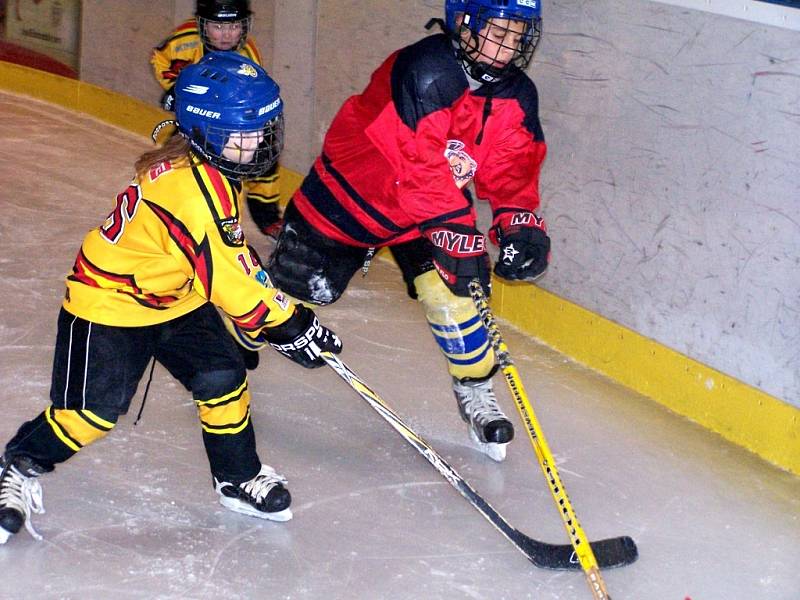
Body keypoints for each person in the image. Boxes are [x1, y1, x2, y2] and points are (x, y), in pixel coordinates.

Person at [0, 52, 342, 545]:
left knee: (223, 378)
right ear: (205, 130)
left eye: (261, 127)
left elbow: (227, 259)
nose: (259, 141)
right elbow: (230, 274)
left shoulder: (206, 167)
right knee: (88, 414)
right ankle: (19, 463)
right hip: (109, 301)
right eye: (242, 132)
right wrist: (290, 326)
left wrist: (267, 321)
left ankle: (237, 477)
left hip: (174, 296)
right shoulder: (190, 191)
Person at [266, 0, 551, 462]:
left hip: (424, 216)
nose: (510, 45)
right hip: (349, 200)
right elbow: (420, 167)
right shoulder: (425, 69)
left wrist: (520, 224)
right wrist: (458, 235)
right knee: (292, 298)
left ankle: (476, 388)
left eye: (519, 34)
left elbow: (512, 171)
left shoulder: (517, 95)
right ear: (464, 23)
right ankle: (235, 337)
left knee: (454, 296)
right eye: (500, 30)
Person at [151, 0, 283, 239]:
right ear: (202, 25)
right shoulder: (184, 39)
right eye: (217, 26)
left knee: (263, 155)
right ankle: (162, 206)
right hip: (199, 120)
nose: (226, 35)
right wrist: (175, 90)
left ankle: (267, 217)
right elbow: (160, 59)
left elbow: (253, 98)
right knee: (176, 155)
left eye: (234, 26)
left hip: (232, 123)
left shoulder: (248, 55)